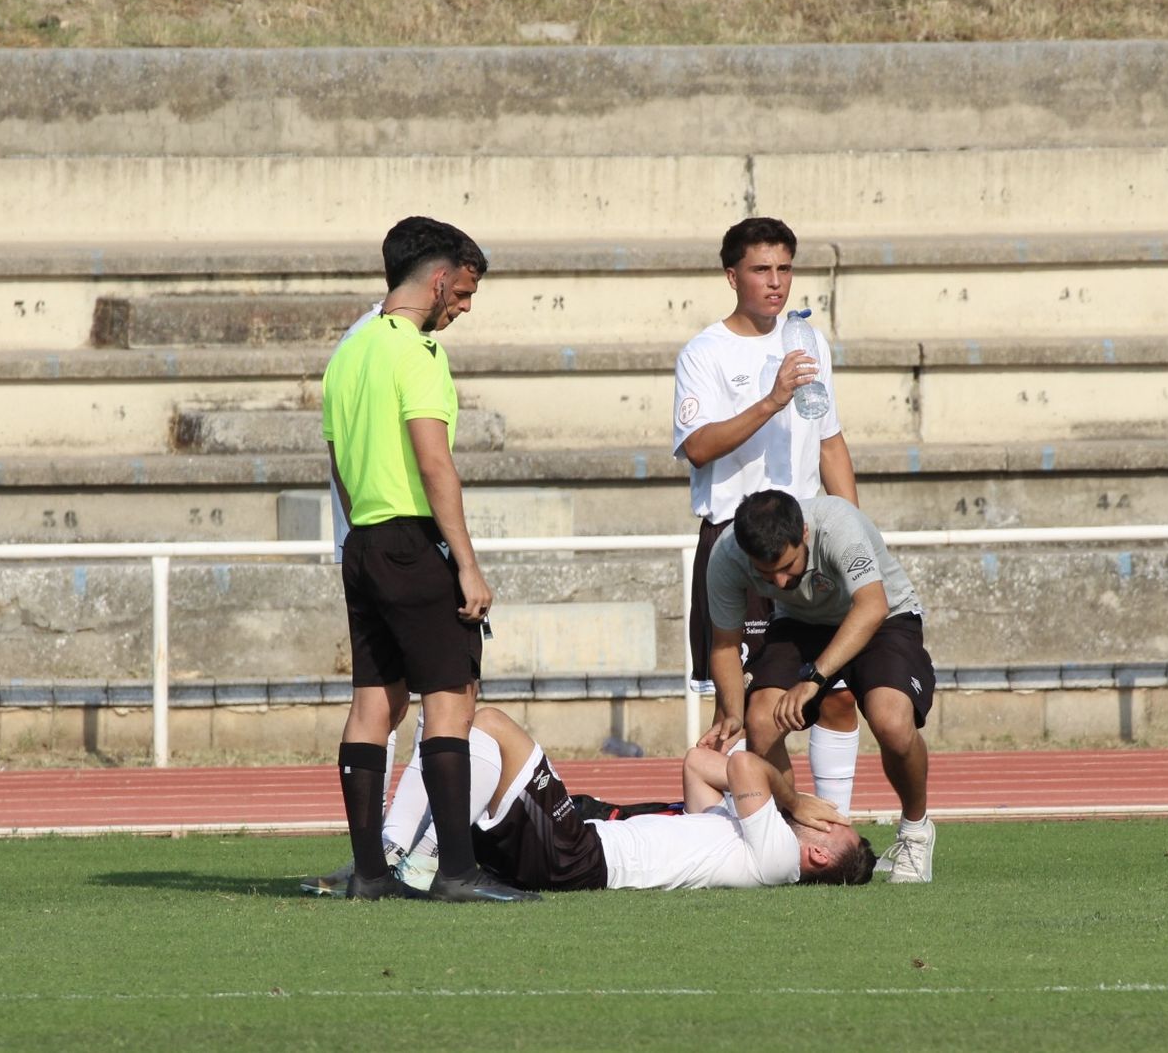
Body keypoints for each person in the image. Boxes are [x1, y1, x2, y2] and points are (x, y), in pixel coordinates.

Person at [315, 215, 535, 904]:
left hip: (362, 540)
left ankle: (369, 874)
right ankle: (457, 872)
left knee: (373, 703)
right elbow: (434, 462)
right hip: (413, 542)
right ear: (438, 281)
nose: (463, 308)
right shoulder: (418, 352)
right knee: (451, 700)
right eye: (462, 293)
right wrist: (466, 563)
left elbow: (336, 459)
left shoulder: (349, 351)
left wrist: (364, 530)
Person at [671, 217, 863, 814]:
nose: (776, 282)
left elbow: (829, 440)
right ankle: (767, 825)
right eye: (761, 269)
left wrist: (853, 533)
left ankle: (833, 825)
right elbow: (697, 446)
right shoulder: (704, 353)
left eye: (784, 268)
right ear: (732, 276)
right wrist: (771, 399)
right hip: (740, 544)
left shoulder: (808, 341)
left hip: (806, 544)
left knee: (836, 693)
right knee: (747, 708)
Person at [358, 707, 871, 895]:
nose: (824, 813)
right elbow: (699, 765)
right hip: (576, 852)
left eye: (831, 824)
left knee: (488, 723)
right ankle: (399, 853)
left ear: (818, 853)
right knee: (464, 727)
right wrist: (771, 798)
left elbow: (743, 767)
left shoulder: (779, 859)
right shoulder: (743, 836)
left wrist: (793, 799)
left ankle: (420, 859)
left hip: (582, 858)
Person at [700, 489, 938, 883]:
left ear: (805, 534)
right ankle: (790, 834)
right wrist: (732, 713)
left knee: (893, 725)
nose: (780, 581)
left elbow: (872, 605)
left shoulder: (837, 524)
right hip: (799, 623)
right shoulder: (727, 554)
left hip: (883, 617)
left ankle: (915, 831)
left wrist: (814, 679)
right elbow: (725, 644)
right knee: (760, 722)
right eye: (766, 574)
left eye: (787, 566)